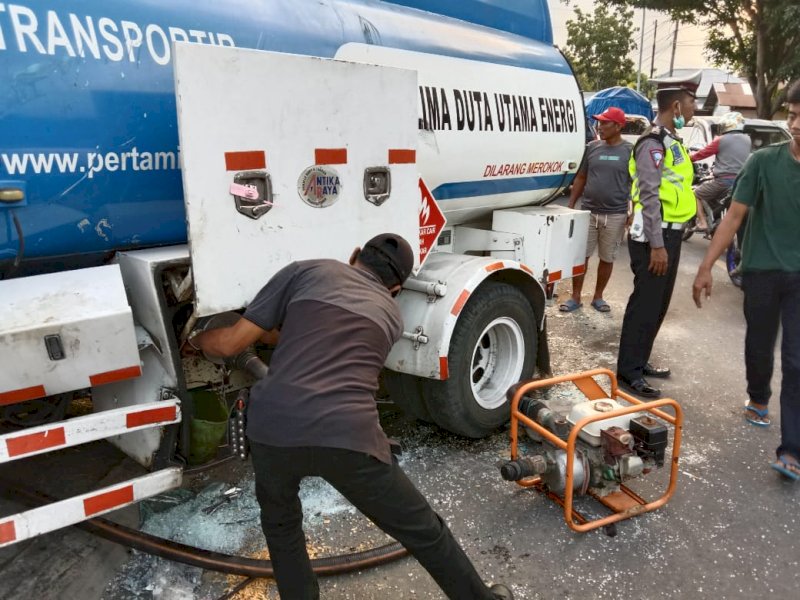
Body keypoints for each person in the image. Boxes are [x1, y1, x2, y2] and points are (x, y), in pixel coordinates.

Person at [186, 233, 514, 599]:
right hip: (348, 438)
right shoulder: (391, 317)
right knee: (424, 530)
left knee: (282, 527)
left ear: (354, 254)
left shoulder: (305, 272)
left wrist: (196, 341)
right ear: (395, 288)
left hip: (272, 429)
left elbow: (231, 343)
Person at [692, 80, 800, 482]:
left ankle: (791, 450)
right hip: (761, 270)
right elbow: (734, 217)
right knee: (759, 344)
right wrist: (706, 266)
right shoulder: (763, 162)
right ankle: (758, 397)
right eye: (792, 115)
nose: (795, 124)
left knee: (796, 360)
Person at [616, 72, 700, 398]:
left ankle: (640, 360)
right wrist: (657, 245)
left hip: (671, 235)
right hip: (655, 236)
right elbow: (649, 196)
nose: (694, 108)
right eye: (691, 102)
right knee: (645, 305)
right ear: (676, 105)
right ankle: (628, 373)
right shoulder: (652, 143)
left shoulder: (672, 140)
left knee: (658, 305)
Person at [562, 106, 633, 313]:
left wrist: (634, 212)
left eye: (604, 123)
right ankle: (575, 296)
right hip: (588, 212)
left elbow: (636, 183)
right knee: (580, 256)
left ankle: (598, 296)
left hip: (616, 214)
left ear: (618, 126)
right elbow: (581, 177)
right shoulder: (592, 148)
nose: (599, 126)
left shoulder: (630, 151)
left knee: (607, 258)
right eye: (599, 122)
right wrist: (571, 205)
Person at [689, 111, 752, 230]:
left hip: (723, 181)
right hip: (740, 182)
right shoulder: (747, 139)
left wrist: (687, 158)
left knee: (695, 194)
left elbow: (702, 154)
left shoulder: (721, 140)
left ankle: (702, 222)